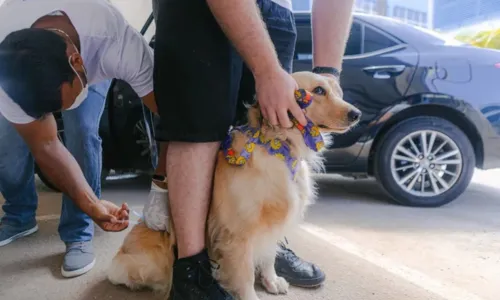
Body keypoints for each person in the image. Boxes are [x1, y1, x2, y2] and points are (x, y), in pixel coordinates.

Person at [153, 0, 356, 298]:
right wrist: (267, 69)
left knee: (276, 131)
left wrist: (328, 70)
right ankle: (192, 270)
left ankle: (264, 251)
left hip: (277, 10)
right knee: (199, 127)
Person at [0, 0, 159, 278]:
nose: (56, 117)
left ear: (77, 62)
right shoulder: (7, 69)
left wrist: (164, 190)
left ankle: (78, 232)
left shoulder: (116, 42)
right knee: (8, 148)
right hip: (33, 56)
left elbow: (175, 119)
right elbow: (47, 144)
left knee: (82, 130)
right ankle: (20, 217)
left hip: (90, 43)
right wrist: (93, 203)